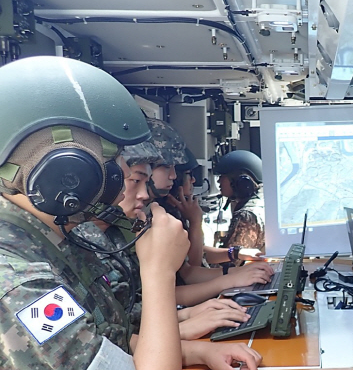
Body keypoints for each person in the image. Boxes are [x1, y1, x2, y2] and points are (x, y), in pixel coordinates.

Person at [0, 56, 261, 370]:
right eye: (110, 159)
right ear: (65, 169)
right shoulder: (18, 283)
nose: (121, 177)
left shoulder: (57, 240)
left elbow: (107, 347)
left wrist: (198, 352)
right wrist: (159, 272)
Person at [74, 140, 252, 337]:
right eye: (135, 181)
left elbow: (133, 312)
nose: (143, 195)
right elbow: (110, 339)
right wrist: (183, 327)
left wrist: (188, 315)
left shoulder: (117, 235)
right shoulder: (81, 245)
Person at [203, 150, 266, 269]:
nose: (218, 181)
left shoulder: (247, 216)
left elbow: (227, 266)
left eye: (223, 177)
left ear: (240, 182)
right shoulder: (264, 202)